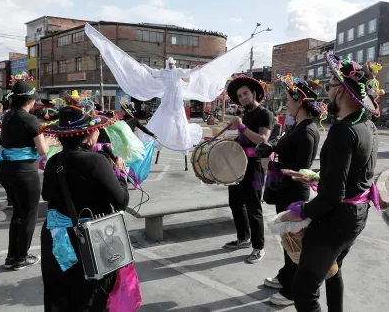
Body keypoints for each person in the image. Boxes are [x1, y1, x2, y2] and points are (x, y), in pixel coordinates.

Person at [281, 54, 381, 311]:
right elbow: (356, 177)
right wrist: (313, 176)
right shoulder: (368, 126)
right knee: (332, 270)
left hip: (336, 221)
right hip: (357, 217)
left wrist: (302, 212)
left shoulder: (343, 131)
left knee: (303, 291)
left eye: (330, 86)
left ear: (342, 91)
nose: (326, 92)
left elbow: (334, 194)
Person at [85, 23, 250, 153]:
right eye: (169, 64)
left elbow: (188, 71)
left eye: (172, 64)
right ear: (167, 64)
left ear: (174, 64)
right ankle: (157, 140)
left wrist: (197, 69)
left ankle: (184, 141)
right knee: (160, 117)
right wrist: (144, 68)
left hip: (176, 98)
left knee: (179, 120)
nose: (171, 65)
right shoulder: (164, 72)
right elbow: (154, 73)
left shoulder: (177, 71)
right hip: (168, 98)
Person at [40, 94, 131, 312]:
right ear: (88, 134)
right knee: (90, 295)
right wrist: (119, 174)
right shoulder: (96, 161)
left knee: (61, 293)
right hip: (89, 238)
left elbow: (46, 195)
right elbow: (121, 202)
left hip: (57, 235)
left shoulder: (54, 161)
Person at [260, 74, 323, 306]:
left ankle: (292, 290)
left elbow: (301, 169)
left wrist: (272, 165)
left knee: (294, 243)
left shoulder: (307, 131)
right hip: (284, 189)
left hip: (294, 192)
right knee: (287, 239)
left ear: (300, 102)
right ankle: (286, 276)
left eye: (288, 99)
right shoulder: (299, 126)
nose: (286, 103)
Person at [0, 78, 50, 270]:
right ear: (30, 101)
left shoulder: (8, 116)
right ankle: (21, 257)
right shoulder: (30, 119)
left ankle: (12, 256)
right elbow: (42, 150)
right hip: (24, 171)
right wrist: (51, 141)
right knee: (29, 214)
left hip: (6, 169)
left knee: (18, 214)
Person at [223, 75, 273, 264]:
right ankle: (243, 238)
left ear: (254, 93)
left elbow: (262, 140)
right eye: (240, 96)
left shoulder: (265, 114)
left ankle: (258, 247)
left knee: (254, 208)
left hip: (254, 167)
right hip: (238, 166)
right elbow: (241, 138)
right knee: (235, 202)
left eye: (245, 93)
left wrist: (241, 126)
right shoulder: (245, 115)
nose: (243, 98)